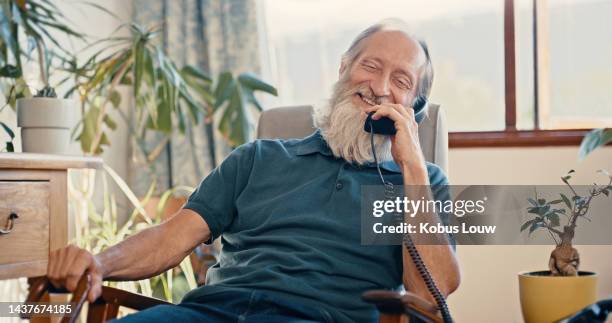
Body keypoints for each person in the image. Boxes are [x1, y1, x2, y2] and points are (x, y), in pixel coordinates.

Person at [47, 19, 460, 323]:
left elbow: (433, 293)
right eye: (370, 66)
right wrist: (99, 263)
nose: (380, 87)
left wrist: (412, 168)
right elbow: (170, 238)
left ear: (415, 108)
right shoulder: (258, 158)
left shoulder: (424, 184)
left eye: (401, 80)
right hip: (210, 314)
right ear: (344, 69)